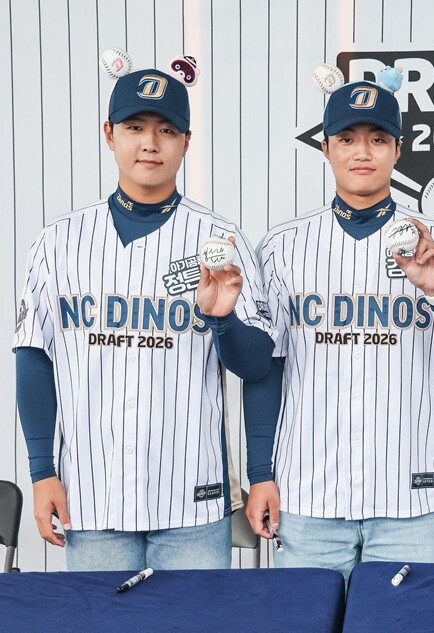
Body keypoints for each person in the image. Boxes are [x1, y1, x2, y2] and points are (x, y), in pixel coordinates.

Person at [14, 61, 276, 571]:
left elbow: (257, 365)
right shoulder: (60, 241)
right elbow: (34, 357)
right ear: (109, 134)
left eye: (166, 130)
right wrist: (42, 471)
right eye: (135, 127)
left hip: (193, 500)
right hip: (92, 496)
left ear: (186, 141)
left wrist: (223, 320)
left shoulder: (221, 241)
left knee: (195, 618)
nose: (150, 143)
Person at [242, 70, 434, 582]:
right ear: (326, 148)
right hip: (306, 496)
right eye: (348, 139)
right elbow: (266, 369)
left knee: (405, 623)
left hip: (408, 498)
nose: (363, 152)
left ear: (398, 150)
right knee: (306, 621)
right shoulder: (283, 246)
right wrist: (260, 474)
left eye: (378, 139)